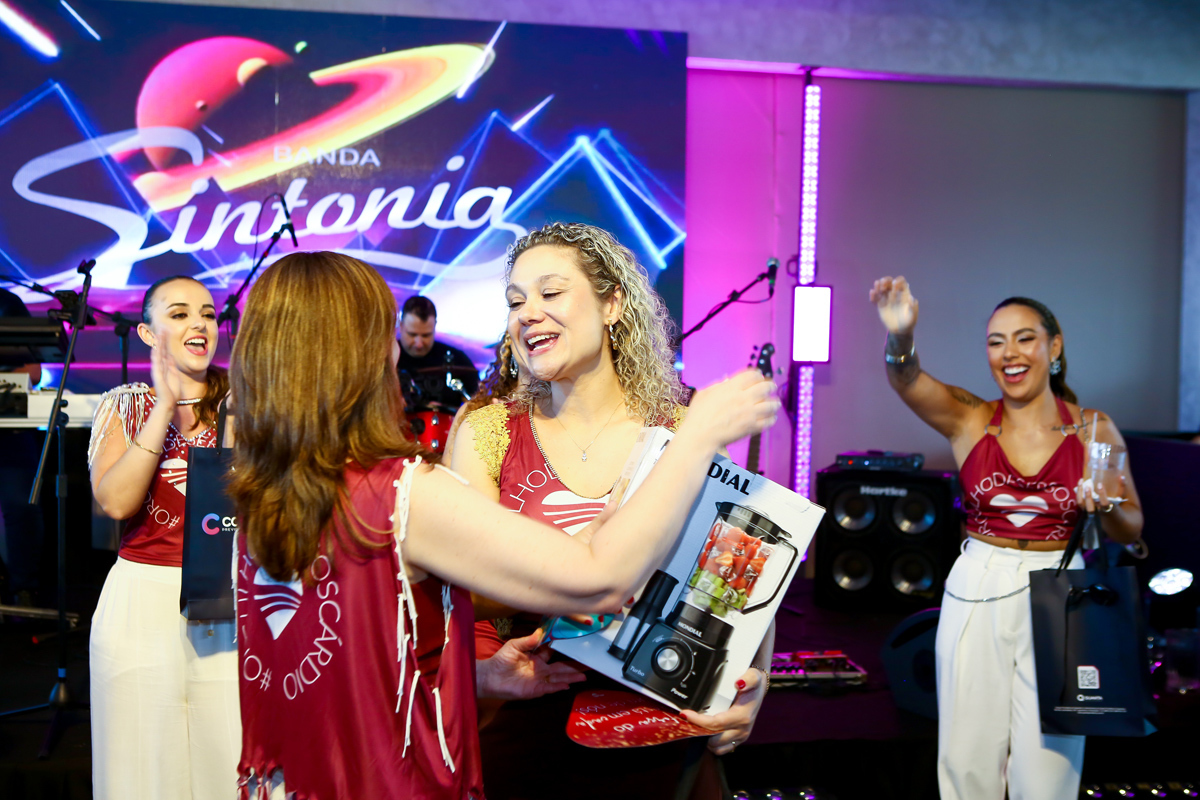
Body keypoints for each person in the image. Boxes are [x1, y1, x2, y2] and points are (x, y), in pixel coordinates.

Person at [226, 251, 778, 800]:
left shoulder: (263, 498)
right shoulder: (406, 493)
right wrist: (697, 437)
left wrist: (481, 677)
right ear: (360, 354)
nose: (396, 349)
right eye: (386, 332)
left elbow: (361, 662)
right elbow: (600, 579)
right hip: (404, 775)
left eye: (551, 293)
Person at [453, 222, 776, 800]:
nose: (528, 314)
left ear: (613, 305)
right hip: (518, 724)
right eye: (515, 301)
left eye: (551, 293)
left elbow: (738, 577)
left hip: (657, 729)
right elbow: (456, 591)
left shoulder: (687, 431)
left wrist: (754, 686)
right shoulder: (488, 432)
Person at [869, 276, 1144, 800]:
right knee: (967, 761)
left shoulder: (1093, 429)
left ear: (1054, 347)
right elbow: (907, 379)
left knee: (1050, 770)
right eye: (996, 342)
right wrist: (900, 335)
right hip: (981, 581)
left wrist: (1105, 504)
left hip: (1063, 589)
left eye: (1024, 338)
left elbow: (1132, 527)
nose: (1009, 353)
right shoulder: (971, 418)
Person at [87, 276, 240, 800]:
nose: (199, 324)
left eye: (208, 314)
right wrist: (163, 407)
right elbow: (116, 502)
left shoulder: (246, 402)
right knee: (142, 770)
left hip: (226, 597)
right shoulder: (124, 404)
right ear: (148, 334)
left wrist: (238, 415)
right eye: (179, 314)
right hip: (141, 602)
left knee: (229, 761)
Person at [0, 285, 45, 605]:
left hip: (11, 428)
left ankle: (24, 589)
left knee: (21, 505)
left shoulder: (7, 302)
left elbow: (33, 370)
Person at [397, 294, 480, 407]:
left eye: (426, 335)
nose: (419, 344)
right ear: (401, 326)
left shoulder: (457, 359)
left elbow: (478, 403)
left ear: (435, 326)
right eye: (412, 334)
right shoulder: (387, 358)